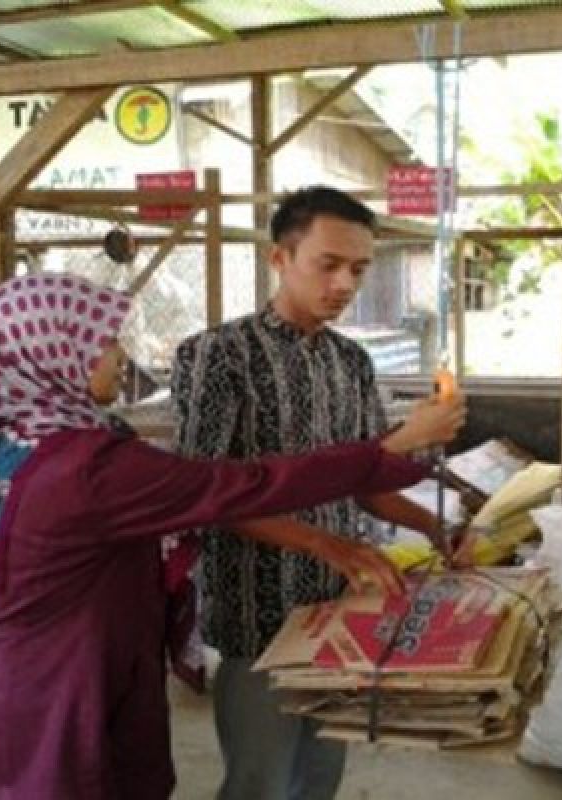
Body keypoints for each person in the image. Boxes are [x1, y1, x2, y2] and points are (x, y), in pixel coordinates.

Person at [0, 272, 465, 800]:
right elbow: (242, 486)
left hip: (67, 675)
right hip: (53, 698)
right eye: (102, 341)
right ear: (45, 355)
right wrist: (391, 450)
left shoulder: (29, 452)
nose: (121, 355)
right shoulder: (83, 470)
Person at [171, 186, 464, 800]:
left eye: (358, 269)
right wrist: (328, 545)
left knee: (320, 778)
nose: (344, 283)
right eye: (326, 264)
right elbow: (205, 494)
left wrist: (436, 527)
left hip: (339, 609)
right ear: (280, 258)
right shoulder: (217, 355)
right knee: (261, 783)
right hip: (259, 612)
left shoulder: (350, 362)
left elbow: (364, 478)